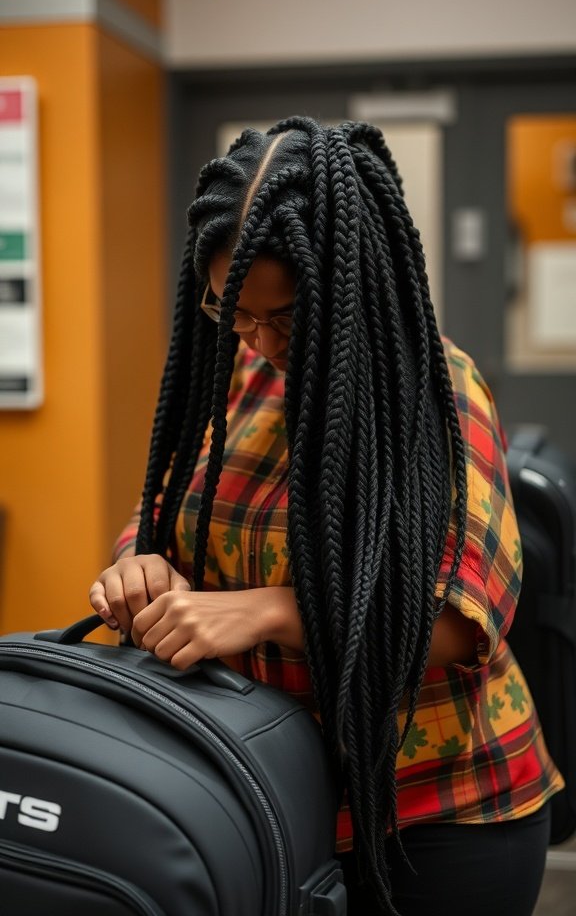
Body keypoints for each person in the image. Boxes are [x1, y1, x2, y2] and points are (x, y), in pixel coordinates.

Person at [89, 118, 564, 916]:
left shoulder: (435, 391)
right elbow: (168, 510)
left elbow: (463, 622)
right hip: (272, 796)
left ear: (352, 286)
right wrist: (144, 559)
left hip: (434, 814)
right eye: (235, 312)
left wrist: (268, 610)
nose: (260, 340)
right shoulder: (242, 373)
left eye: (287, 318)